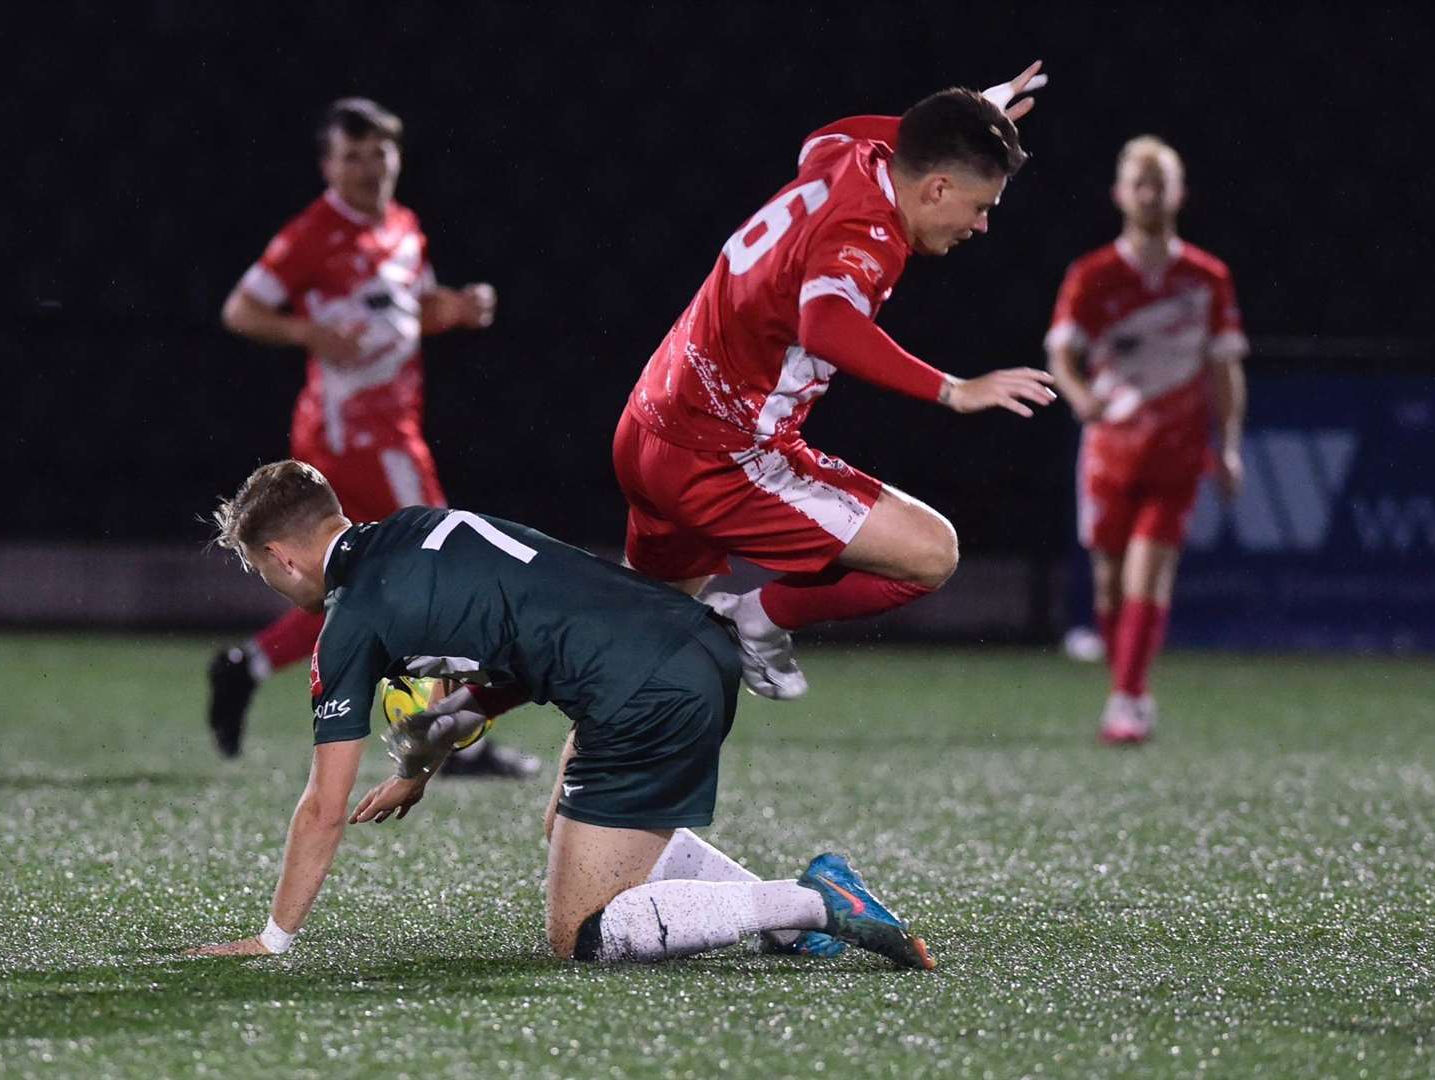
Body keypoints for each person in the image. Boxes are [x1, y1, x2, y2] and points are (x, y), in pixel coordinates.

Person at [187, 460, 933, 969]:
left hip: (638, 692)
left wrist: (273, 938)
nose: (273, 588)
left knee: (580, 933)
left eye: (261, 572)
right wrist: (426, 759)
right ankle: (787, 919)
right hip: (685, 642)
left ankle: (811, 902)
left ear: (284, 558)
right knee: (569, 829)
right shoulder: (418, 527)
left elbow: (324, 806)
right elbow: (524, 638)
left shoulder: (351, 619)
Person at [611, 63, 1057, 706]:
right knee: (932, 554)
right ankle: (758, 617)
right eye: (980, 205)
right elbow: (825, 326)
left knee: (626, 646)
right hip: (725, 459)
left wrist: (966, 117)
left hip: (650, 423)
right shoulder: (871, 236)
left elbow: (834, 131)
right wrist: (953, 390)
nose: (982, 225)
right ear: (935, 188)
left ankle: (466, 709)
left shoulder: (847, 157)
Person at [207, 96, 536, 778]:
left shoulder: (405, 226)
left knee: (359, 584)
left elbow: (405, 314)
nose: (367, 168)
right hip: (359, 438)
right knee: (449, 567)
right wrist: (307, 332)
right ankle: (443, 733)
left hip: (388, 429)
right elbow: (240, 309)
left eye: (378, 153)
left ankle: (250, 663)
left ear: (397, 157)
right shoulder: (312, 233)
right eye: (351, 156)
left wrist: (454, 309)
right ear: (328, 166)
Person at [1045, 135, 1248, 744]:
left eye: (1162, 182)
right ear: (1120, 194)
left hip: (1179, 451)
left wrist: (1230, 444)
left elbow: (1226, 367)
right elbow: (1061, 352)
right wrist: (1081, 397)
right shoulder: (1094, 275)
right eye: (1141, 182)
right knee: (1109, 583)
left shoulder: (1207, 278)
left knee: (1147, 574)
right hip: (1110, 451)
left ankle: (1127, 698)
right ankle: (1127, 688)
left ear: (1180, 193)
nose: (1151, 193)